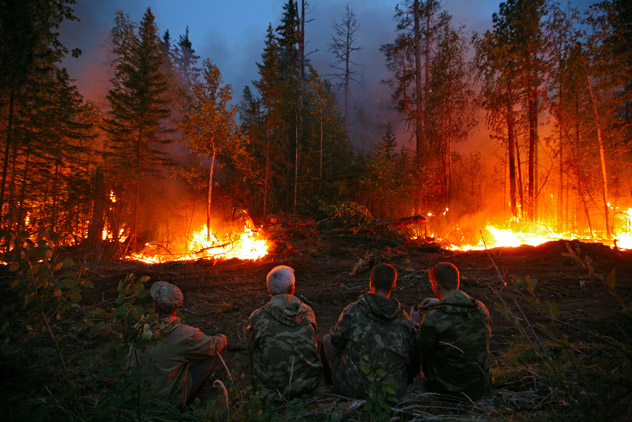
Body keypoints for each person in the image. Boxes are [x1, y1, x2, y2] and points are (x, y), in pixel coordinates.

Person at [321, 263, 417, 399]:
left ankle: (330, 387)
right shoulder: (405, 320)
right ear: (394, 286)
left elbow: (336, 341)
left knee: (326, 340)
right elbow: (412, 358)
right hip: (391, 391)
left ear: (370, 283)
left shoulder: (352, 311)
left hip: (352, 387)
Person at [411, 262, 492, 400]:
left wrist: (414, 324)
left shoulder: (433, 319)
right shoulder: (481, 308)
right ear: (457, 281)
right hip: (480, 384)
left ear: (436, 284)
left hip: (449, 388)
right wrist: (440, 302)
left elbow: (419, 353)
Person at [244, 265, 323, 400]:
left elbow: (250, 347)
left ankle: (258, 390)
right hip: (310, 384)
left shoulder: (257, 318)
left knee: (255, 348)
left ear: (269, 290)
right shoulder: (308, 311)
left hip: (274, 392)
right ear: (292, 288)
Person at [143, 281, 228, 406]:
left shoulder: (140, 328)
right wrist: (224, 338)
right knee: (211, 355)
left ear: (154, 304)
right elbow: (213, 346)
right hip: (164, 400)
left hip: (136, 395)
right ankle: (188, 402)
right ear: (176, 307)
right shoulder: (184, 334)